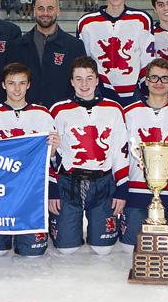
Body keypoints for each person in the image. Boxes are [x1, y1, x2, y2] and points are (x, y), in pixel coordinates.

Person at [48, 56, 129, 255]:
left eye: (89, 78)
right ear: (72, 81)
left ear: (97, 80)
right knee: (67, 249)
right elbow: (50, 154)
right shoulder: (59, 110)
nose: (84, 84)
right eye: (79, 78)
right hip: (69, 182)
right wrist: (53, 189)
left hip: (102, 183)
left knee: (103, 249)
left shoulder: (113, 109)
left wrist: (122, 190)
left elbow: (121, 150)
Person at [0, 63, 56, 257]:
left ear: (29, 85)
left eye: (22, 83)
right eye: (11, 83)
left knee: (33, 253)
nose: (17, 89)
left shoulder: (42, 114)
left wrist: (54, 149)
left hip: (31, 194)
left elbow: (51, 159)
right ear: (3, 85)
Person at [120, 58, 168, 255]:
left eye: (164, 78)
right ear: (146, 81)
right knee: (129, 248)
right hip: (137, 188)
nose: (158, 82)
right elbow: (121, 151)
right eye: (153, 77)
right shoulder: (129, 112)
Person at [76, 0, 156, 106]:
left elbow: (148, 60)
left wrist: (146, 90)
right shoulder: (87, 22)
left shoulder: (141, 19)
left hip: (133, 92)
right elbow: (84, 61)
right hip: (99, 91)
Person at [7, 0, 87, 109]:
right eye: (40, 9)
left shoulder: (74, 46)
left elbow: (81, 83)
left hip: (62, 115)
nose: (45, 13)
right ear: (34, 11)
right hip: (26, 115)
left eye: (50, 9)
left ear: (58, 11)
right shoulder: (17, 46)